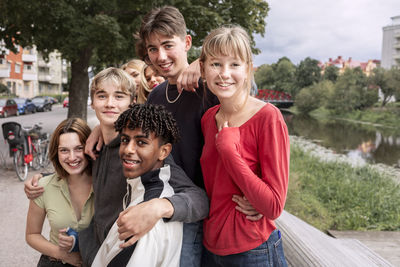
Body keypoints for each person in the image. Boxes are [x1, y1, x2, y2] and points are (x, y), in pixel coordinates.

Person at [24, 67, 209, 267]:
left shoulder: (140, 153)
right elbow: (74, 166)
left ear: (132, 102)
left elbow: (198, 198)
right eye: (102, 96)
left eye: (119, 96)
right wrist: (41, 178)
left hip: (127, 255)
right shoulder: (93, 148)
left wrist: (160, 206)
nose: (110, 103)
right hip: (95, 252)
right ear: (92, 102)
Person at [199, 25, 290, 266]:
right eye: (216, 64)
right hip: (210, 246)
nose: (224, 73)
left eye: (234, 64)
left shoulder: (268, 117)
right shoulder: (209, 118)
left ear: (248, 69)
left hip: (253, 250)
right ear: (203, 69)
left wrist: (229, 152)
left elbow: (273, 205)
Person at [137, 6, 220, 266]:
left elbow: (247, 90)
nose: (160, 56)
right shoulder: (156, 95)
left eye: (167, 45)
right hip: (168, 208)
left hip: (206, 213)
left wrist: (205, 62)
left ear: (186, 43)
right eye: (152, 49)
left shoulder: (210, 88)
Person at [93, 103, 198, 266]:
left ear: (164, 152)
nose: (128, 149)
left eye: (141, 142)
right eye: (124, 140)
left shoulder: (145, 219)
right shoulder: (140, 187)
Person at [25, 118, 93, 267]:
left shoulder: (103, 184)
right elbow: (32, 234)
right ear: (56, 152)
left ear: (89, 147)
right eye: (64, 150)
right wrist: (60, 253)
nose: (72, 157)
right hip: (56, 262)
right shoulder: (43, 186)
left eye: (78, 148)